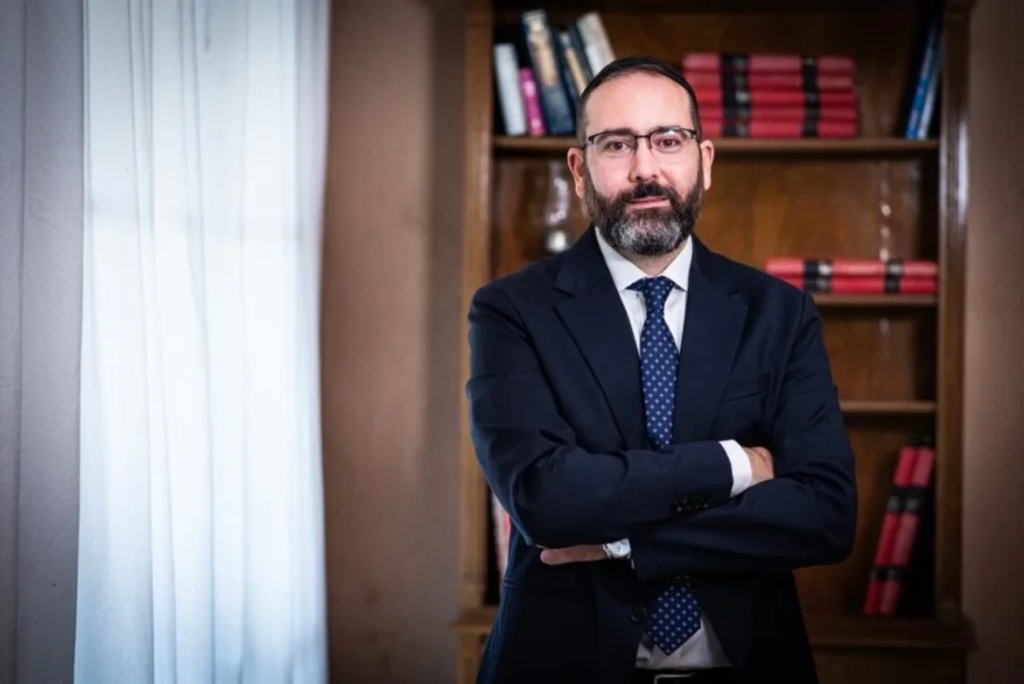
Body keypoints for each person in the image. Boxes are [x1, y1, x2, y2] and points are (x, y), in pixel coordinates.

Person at [465, 55, 857, 684]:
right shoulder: (511, 312)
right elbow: (546, 500)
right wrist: (738, 465)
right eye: (617, 144)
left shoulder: (780, 313)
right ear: (579, 170)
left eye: (668, 141)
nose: (645, 168)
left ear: (705, 161)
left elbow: (826, 515)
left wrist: (627, 543)